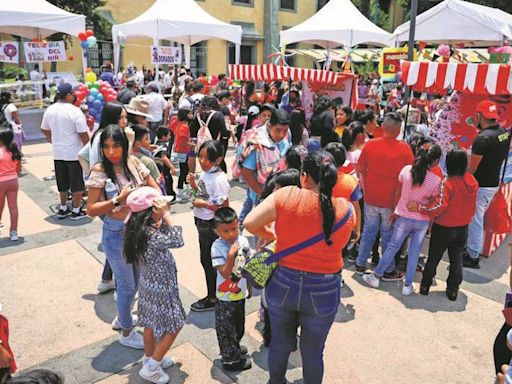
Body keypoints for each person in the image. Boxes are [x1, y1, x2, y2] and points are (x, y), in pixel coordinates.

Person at [244, 150, 355, 384]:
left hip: (283, 281)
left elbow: (249, 223)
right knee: (313, 352)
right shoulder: (346, 210)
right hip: (324, 287)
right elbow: (343, 244)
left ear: (304, 176)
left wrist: (270, 234)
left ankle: (276, 381)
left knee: (280, 343)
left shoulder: (287, 195)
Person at [86, 125, 160, 349]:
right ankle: (127, 333)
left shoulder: (134, 163)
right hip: (116, 234)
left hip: (138, 231)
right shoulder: (100, 170)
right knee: (126, 285)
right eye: (106, 147)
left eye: (116, 146)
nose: (111, 151)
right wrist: (118, 200)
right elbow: (91, 208)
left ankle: (122, 317)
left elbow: (155, 188)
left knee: (136, 281)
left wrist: (147, 202)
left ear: (124, 145)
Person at [362, 143, 442, 295]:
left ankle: (376, 276)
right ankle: (407, 285)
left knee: (392, 247)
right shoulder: (436, 181)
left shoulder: (406, 171)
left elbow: (398, 193)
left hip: (403, 218)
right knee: (414, 252)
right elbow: (433, 204)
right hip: (422, 221)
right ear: (435, 161)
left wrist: (395, 211)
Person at [124, 187, 185, 383]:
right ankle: (152, 367)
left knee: (150, 324)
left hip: (149, 286)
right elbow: (177, 240)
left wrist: (162, 216)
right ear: (151, 211)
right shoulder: (150, 234)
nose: (166, 208)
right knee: (175, 324)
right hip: (162, 288)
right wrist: (166, 214)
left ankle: (151, 359)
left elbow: (166, 238)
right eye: (160, 206)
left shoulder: (138, 230)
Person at [406, 149, 478, 300]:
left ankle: (425, 285)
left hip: (444, 227)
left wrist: (420, 208)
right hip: (463, 227)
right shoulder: (473, 181)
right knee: (456, 259)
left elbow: (439, 206)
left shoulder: (448, 183)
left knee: (433, 257)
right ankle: (453, 290)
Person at [354, 112, 414, 278]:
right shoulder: (405, 149)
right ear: (399, 129)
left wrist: (366, 190)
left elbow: (361, 171)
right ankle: (388, 269)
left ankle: (360, 263)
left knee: (369, 231)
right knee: (388, 236)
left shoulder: (370, 145)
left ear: (383, 127)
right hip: (392, 201)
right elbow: (410, 176)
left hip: (371, 197)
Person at [463, 100, 511, 269]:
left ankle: (473, 255)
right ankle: (470, 249)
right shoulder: (503, 132)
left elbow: (471, 169)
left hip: (481, 185)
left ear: (479, 115)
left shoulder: (482, 139)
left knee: (475, 219)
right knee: (476, 218)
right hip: (492, 182)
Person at [186, 140, 230, 312]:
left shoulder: (219, 179)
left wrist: (203, 205)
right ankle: (216, 294)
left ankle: (213, 298)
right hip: (202, 222)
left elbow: (223, 206)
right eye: (200, 156)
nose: (202, 161)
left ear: (217, 160)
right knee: (207, 260)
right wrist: (193, 186)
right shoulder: (206, 174)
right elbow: (203, 195)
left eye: (206, 158)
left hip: (210, 225)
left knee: (209, 260)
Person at [211, 207, 252, 371]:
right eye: (225, 231)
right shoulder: (217, 247)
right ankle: (230, 360)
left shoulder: (243, 241)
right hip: (225, 296)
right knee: (226, 328)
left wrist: (249, 287)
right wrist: (230, 256)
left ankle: (235, 347)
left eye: (234, 228)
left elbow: (246, 266)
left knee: (238, 324)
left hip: (239, 292)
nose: (231, 234)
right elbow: (224, 272)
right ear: (216, 231)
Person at [41, 83, 90, 220]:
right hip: (73, 153)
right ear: (68, 95)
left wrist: (53, 140)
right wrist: (89, 149)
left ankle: (62, 207)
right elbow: (83, 134)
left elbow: (44, 129)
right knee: (77, 183)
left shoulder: (50, 110)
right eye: (73, 93)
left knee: (62, 182)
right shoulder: (74, 111)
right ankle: (76, 209)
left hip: (58, 152)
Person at [240, 109, 291, 206]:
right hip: (261, 195)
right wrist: (263, 195)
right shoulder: (257, 145)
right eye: (278, 130)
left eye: (285, 131)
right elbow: (247, 173)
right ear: (269, 126)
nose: (281, 135)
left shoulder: (284, 141)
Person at [0, 129, 21, 242]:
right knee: (13, 207)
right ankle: (14, 231)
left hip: (1, 182)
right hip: (13, 181)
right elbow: (18, 169)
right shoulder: (15, 151)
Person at [169, 108, 192, 199]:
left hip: (178, 150)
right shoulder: (185, 126)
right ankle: (181, 190)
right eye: (189, 114)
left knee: (183, 170)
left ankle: (182, 189)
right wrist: (191, 145)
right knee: (184, 171)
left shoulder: (178, 124)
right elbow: (183, 140)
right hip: (183, 150)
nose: (191, 115)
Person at [153, 127, 178, 200]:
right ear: (164, 137)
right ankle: (170, 197)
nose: (170, 137)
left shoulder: (157, 143)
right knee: (168, 183)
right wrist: (172, 167)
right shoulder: (163, 146)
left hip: (159, 169)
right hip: (164, 169)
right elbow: (164, 157)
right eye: (169, 135)